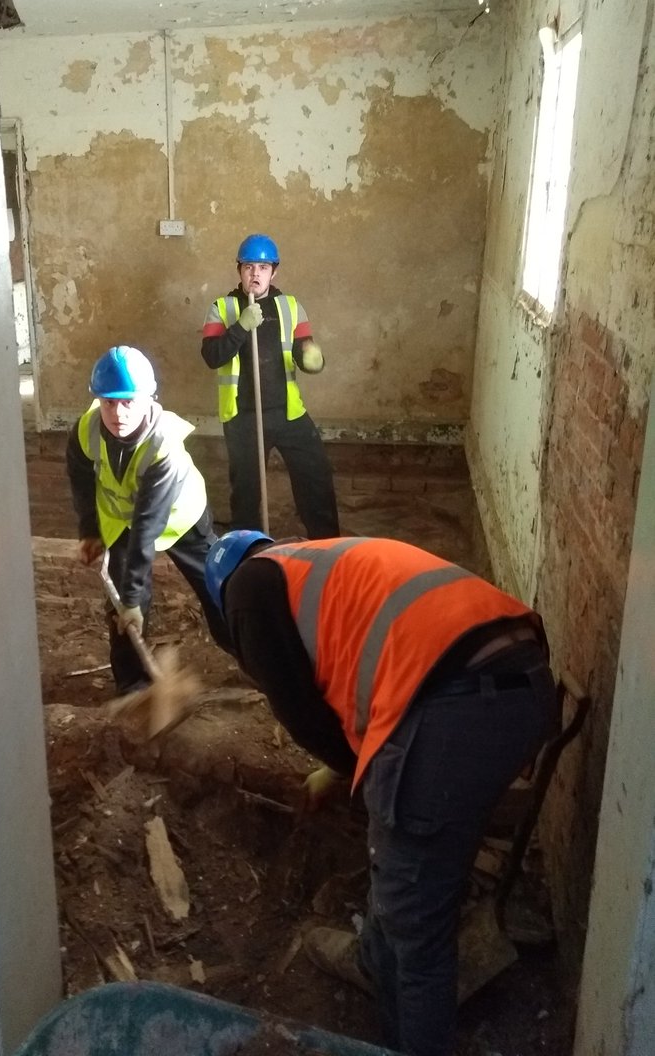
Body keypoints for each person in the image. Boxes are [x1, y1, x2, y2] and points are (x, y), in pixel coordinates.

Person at [204, 530, 557, 1056]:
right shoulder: (318, 561)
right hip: (525, 686)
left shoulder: (247, 590)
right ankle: (374, 958)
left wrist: (347, 768)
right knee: (405, 855)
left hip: (450, 708)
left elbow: (300, 712)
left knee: (418, 931)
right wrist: (350, 771)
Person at [66, 345, 234, 695]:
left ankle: (253, 656)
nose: (118, 412)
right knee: (123, 611)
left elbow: (148, 526)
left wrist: (131, 596)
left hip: (179, 517)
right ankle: (134, 690)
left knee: (217, 587)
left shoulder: (163, 448)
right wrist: (90, 530)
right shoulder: (86, 430)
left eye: (129, 401)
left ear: (149, 398)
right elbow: (81, 478)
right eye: (109, 402)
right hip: (123, 520)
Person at [201, 233, 339, 539]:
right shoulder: (222, 308)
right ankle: (248, 551)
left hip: (288, 413)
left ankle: (327, 547)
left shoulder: (290, 306)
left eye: (263, 267)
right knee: (247, 493)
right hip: (244, 417)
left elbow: (303, 351)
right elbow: (212, 356)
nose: (255, 274)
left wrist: (312, 359)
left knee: (316, 478)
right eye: (249, 267)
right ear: (239, 270)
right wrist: (240, 326)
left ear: (273, 271)